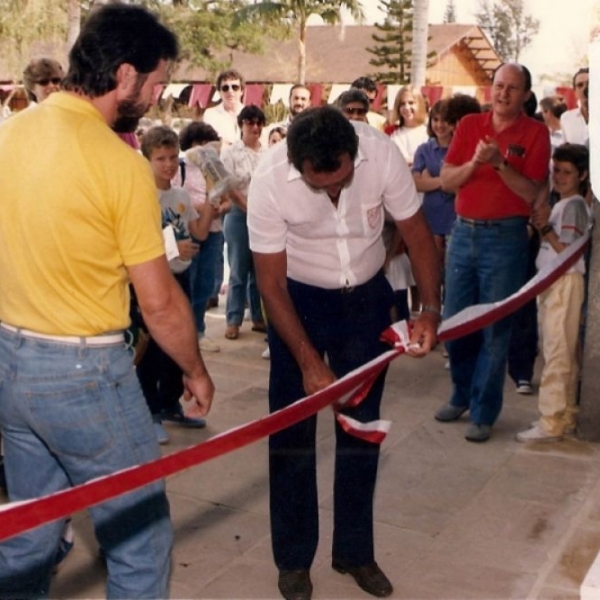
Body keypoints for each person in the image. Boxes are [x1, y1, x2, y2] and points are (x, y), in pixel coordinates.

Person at [0, 5, 214, 598]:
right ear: (124, 76)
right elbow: (161, 304)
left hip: (10, 365)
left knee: (30, 531)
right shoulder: (121, 167)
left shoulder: (9, 133)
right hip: (83, 373)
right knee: (140, 545)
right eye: (156, 83)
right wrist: (195, 371)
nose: (157, 95)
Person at [248, 106, 440, 600]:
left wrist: (431, 311)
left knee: (361, 429)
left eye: (341, 179)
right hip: (298, 302)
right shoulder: (270, 178)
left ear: (354, 154)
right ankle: (293, 561)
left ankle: (354, 552)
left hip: (366, 302)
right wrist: (309, 362)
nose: (333, 191)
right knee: (291, 435)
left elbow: (417, 234)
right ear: (297, 164)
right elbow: (269, 284)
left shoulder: (380, 151)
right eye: (320, 184)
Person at [434, 63, 550, 443]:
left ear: (526, 95)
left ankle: (483, 412)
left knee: (495, 327)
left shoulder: (536, 133)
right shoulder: (469, 125)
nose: (503, 94)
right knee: (455, 322)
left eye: (512, 88)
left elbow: (532, 193)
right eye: (499, 86)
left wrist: (500, 163)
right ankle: (460, 394)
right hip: (462, 235)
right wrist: (475, 163)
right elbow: (448, 181)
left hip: (506, 239)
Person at [138, 125, 218, 444]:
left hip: (180, 276)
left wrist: (213, 199)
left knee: (180, 344)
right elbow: (139, 241)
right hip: (154, 278)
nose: (169, 165)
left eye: (172, 157)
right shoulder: (142, 195)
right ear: (147, 160)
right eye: (160, 159)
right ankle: (150, 410)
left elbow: (197, 232)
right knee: (152, 350)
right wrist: (172, 248)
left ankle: (170, 403)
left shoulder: (181, 195)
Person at [517, 144, 592, 443]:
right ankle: (565, 415)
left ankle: (550, 421)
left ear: (583, 175)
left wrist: (545, 228)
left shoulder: (572, 206)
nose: (559, 177)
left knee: (557, 351)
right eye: (556, 171)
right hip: (557, 281)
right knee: (563, 352)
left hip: (563, 281)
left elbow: (568, 251)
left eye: (567, 172)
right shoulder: (566, 204)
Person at [176, 121, 227, 352]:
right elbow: (177, 198)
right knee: (190, 282)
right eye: (199, 143)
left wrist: (220, 208)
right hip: (191, 230)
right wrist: (203, 206)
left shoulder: (216, 168)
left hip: (214, 231)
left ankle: (199, 329)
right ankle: (185, 332)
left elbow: (228, 198)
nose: (203, 148)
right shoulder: (181, 167)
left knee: (206, 283)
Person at [221, 104, 267, 340]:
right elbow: (228, 187)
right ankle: (233, 319)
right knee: (238, 269)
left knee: (260, 270)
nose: (255, 127)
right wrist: (247, 208)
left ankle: (258, 317)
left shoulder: (268, 153)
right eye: (250, 122)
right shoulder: (230, 153)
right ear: (241, 125)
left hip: (263, 214)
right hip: (239, 214)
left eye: (259, 123)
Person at [412, 99, 456, 271]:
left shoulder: (459, 148)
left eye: (445, 120)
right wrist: (444, 181)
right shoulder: (424, 150)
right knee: (433, 269)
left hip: (454, 216)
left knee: (451, 270)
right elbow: (416, 184)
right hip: (431, 214)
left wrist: (430, 179)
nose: (440, 125)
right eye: (435, 120)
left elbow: (461, 185)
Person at [385, 85, 428, 167]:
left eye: (411, 103)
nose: (407, 107)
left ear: (420, 105)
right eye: (402, 104)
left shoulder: (430, 132)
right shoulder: (390, 132)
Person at [203, 69, 245, 146]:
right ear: (219, 92)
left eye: (235, 87)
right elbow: (213, 142)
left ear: (241, 91)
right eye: (225, 88)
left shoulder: (249, 114)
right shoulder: (211, 115)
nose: (230, 91)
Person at [560, 67, 589, 146]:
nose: (585, 89)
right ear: (575, 92)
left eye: (589, 84)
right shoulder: (566, 118)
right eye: (580, 85)